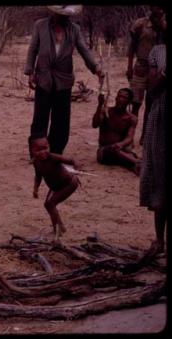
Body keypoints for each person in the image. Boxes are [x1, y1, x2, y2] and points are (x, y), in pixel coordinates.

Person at [24, 5, 104, 155]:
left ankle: (55, 150)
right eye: (61, 14)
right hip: (43, 77)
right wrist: (30, 72)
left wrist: (95, 67)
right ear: (53, 13)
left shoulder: (74, 29)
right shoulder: (40, 25)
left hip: (64, 79)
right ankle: (37, 151)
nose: (65, 17)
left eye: (67, 15)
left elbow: (83, 50)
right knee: (40, 116)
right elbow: (33, 49)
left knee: (61, 118)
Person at [140, 28, 167, 254]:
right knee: (161, 178)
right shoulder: (158, 52)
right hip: (162, 121)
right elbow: (152, 88)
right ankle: (159, 240)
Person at [126, 6, 166, 144]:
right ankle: (129, 136)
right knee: (135, 103)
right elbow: (132, 46)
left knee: (151, 104)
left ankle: (145, 136)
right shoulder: (140, 24)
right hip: (141, 67)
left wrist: (162, 25)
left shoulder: (163, 26)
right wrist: (129, 66)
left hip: (156, 69)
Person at [29, 137, 80, 240]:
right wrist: (35, 188)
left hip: (68, 184)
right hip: (55, 187)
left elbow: (70, 160)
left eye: (45, 148)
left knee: (51, 204)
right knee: (47, 204)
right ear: (31, 150)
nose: (43, 152)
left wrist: (77, 165)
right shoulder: (36, 162)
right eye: (38, 150)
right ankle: (60, 227)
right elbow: (38, 176)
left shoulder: (53, 157)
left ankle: (57, 229)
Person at [92, 88, 141, 175]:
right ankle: (135, 162)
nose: (120, 99)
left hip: (121, 150)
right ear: (116, 98)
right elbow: (95, 124)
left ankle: (135, 165)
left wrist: (120, 144)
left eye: (124, 97)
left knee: (124, 153)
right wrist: (99, 105)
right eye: (119, 96)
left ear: (129, 102)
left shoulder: (132, 118)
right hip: (104, 151)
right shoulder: (106, 111)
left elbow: (129, 138)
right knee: (115, 150)